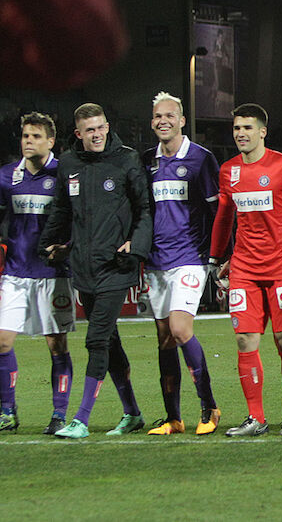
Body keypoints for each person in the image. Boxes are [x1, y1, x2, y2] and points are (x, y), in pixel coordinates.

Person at [39, 103, 152, 439]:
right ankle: (132, 413)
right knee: (110, 342)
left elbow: (145, 210)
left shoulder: (127, 159)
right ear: (78, 134)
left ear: (107, 126)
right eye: (90, 130)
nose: (97, 133)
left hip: (117, 267)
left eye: (101, 127)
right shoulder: (70, 163)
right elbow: (61, 208)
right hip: (83, 268)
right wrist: (46, 244)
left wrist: (136, 246)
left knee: (96, 339)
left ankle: (81, 419)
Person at [209, 103, 282, 437]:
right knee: (245, 341)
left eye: (248, 128)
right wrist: (214, 258)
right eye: (237, 128)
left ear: (263, 131)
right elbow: (224, 216)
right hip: (243, 269)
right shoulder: (228, 171)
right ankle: (256, 418)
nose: (240, 133)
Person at [140, 92, 221, 436]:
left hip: (190, 258)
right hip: (157, 262)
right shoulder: (147, 161)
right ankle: (173, 417)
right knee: (164, 338)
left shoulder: (201, 159)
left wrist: (219, 256)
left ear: (182, 120)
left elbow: (218, 211)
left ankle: (209, 407)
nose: (163, 121)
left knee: (180, 328)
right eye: (158, 116)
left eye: (169, 116)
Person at [0, 112, 76, 434]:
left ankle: (59, 414)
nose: (28, 141)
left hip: (53, 274)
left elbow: (79, 218)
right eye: (25, 136)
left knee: (56, 345)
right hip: (16, 273)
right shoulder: (6, 176)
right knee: (2, 341)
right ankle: (7, 411)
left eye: (35, 136)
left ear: (50, 141)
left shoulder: (64, 175)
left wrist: (69, 247)